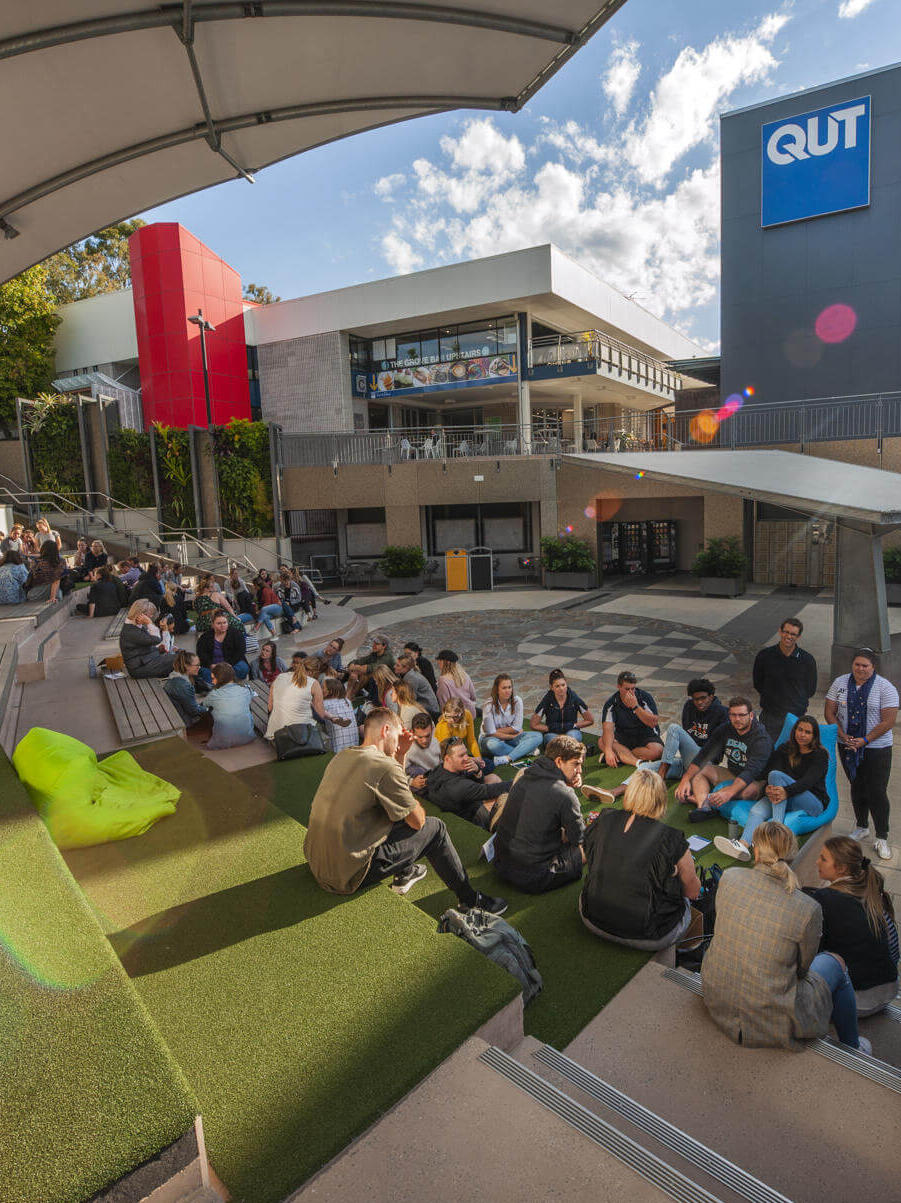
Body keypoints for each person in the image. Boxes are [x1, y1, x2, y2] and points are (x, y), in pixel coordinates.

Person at [304, 707, 506, 910]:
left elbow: (391, 791)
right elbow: (417, 821)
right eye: (400, 732)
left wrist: (400, 754)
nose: (403, 738)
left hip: (316, 861)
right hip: (346, 874)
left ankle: (405, 871)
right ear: (385, 731)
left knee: (393, 809)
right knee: (435, 829)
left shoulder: (343, 755)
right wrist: (400, 765)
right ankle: (471, 901)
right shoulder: (383, 766)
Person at [702, 821, 870, 1052]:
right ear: (791, 854)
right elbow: (802, 970)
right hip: (769, 1019)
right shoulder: (807, 907)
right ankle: (852, 1047)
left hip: (715, 996)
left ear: (757, 851)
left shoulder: (730, 877)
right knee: (835, 962)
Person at [580, 770, 701, 951]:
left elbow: (586, 855)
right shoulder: (672, 838)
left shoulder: (604, 818)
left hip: (592, 918)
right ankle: (690, 952)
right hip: (647, 934)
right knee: (686, 905)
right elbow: (692, 892)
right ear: (661, 799)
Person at [806, 836, 899, 1017]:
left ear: (841, 868)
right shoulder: (867, 889)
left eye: (823, 859)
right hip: (889, 990)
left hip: (859, 1002)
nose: (817, 861)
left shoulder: (825, 899)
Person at [715, 715, 829, 861]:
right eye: (800, 730)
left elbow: (808, 781)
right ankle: (743, 845)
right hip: (784, 796)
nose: (802, 734)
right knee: (757, 811)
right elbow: (767, 769)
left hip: (812, 801)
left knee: (776, 775)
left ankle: (775, 837)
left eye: (807, 732)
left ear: (814, 736)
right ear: (794, 730)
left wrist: (786, 791)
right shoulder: (785, 749)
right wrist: (768, 788)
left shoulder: (820, 755)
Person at [825, 648, 898, 861]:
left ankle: (882, 836)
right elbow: (830, 711)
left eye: (865, 665)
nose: (860, 669)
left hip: (876, 748)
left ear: (873, 666)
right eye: (857, 664)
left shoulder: (885, 688)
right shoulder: (840, 683)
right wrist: (843, 735)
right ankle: (861, 826)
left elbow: (888, 721)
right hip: (847, 743)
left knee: (876, 791)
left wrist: (865, 740)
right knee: (856, 785)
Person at [494, 735, 586, 893]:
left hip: (501, 864)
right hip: (534, 875)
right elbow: (578, 838)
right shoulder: (564, 794)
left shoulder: (524, 776)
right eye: (576, 764)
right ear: (558, 761)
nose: (579, 771)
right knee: (588, 848)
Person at [675, 696, 773, 822]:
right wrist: (685, 779)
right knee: (701, 770)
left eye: (742, 715)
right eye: (733, 715)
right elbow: (703, 755)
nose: (737, 719)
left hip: (756, 781)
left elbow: (751, 772)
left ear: (751, 716)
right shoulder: (725, 729)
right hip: (732, 773)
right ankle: (703, 808)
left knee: (749, 791)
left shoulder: (761, 739)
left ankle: (703, 798)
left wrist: (729, 793)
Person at [753, 618, 818, 743]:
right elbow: (758, 683)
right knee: (768, 753)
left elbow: (810, 689)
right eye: (786, 632)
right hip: (770, 716)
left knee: (793, 755)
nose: (788, 636)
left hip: (795, 717)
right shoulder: (764, 656)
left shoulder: (807, 660)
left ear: (798, 637)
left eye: (793, 634)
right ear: (780, 631)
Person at [426, 736, 508, 829]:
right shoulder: (456, 786)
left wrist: (477, 771)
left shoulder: (442, 768)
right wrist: (517, 781)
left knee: (493, 778)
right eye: (461, 755)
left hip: (464, 801)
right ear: (447, 759)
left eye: (466, 753)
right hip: (469, 817)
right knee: (502, 799)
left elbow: (479, 782)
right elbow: (487, 791)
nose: (467, 758)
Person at [600, 670, 664, 769]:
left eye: (633, 689)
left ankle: (621, 756)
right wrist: (608, 750)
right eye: (627, 689)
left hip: (645, 734)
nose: (630, 692)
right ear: (619, 687)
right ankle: (639, 763)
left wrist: (635, 706)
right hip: (624, 735)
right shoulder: (612, 703)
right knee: (602, 741)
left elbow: (653, 723)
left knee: (658, 751)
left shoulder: (644, 697)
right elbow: (608, 729)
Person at [480, 673, 543, 766]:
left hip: (510, 737)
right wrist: (512, 736)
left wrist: (496, 731)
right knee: (493, 745)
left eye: (509, 687)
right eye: (504, 688)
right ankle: (526, 751)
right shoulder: (488, 705)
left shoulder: (517, 701)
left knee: (538, 736)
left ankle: (507, 758)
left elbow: (517, 728)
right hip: (491, 739)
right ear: (497, 690)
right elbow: (490, 733)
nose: (508, 691)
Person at [264, 659, 333, 741]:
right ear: (313, 673)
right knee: (325, 724)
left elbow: (270, 707)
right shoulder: (313, 683)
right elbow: (320, 714)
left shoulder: (280, 676)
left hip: (274, 731)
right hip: (298, 735)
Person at [530, 668, 594, 744]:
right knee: (556, 742)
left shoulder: (574, 698)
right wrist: (550, 728)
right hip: (552, 733)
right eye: (557, 686)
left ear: (566, 684)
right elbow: (533, 724)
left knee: (571, 738)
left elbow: (590, 720)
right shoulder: (547, 700)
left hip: (571, 731)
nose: (561, 689)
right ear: (551, 687)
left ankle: (563, 751)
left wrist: (574, 725)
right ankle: (567, 751)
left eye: (563, 685)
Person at [203, 664, 256, 750]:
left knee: (209, 710)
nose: (212, 682)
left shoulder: (214, 694)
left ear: (220, 679)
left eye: (213, 678)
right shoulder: (246, 690)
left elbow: (204, 704)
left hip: (222, 743)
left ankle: (215, 737)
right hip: (248, 738)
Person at [119, 600, 176, 678]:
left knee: (179, 655)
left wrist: (164, 631)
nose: (151, 617)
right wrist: (149, 623)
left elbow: (155, 643)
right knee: (179, 658)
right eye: (150, 615)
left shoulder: (134, 626)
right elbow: (156, 639)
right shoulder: (131, 631)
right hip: (140, 669)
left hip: (145, 662)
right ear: (141, 614)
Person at [196, 610, 250, 682]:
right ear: (212, 624)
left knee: (243, 668)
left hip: (232, 664)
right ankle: (217, 687)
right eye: (219, 623)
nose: (222, 625)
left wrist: (228, 665)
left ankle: (229, 683)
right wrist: (210, 665)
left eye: (225, 623)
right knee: (204, 673)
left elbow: (241, 651)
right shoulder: (205, 637)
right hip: (213, 666)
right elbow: (201, 653)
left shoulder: (236, 634)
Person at [164, 650, 210, 729]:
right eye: (197, 665)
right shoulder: (182, 685)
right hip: (185, 721)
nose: (199, 667)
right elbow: (194, 711)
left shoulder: (176, 676)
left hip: (180, 714)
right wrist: (209, 709)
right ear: (186, 665)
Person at [434, 697, 481, 763]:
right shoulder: (443, 726)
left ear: (462, 713)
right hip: (445, 757)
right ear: (444, 712)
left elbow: (471, 740)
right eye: (448, 716)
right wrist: (473, 759)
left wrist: (478, 757)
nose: (452, 720)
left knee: (484, 764)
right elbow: (449, 753)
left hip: (458, 750)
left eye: (456, 716)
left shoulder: (467, 715)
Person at [404, 712, 441, 793]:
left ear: (432, 729)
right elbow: (395, 772)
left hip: (439, 773)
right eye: (420, 737)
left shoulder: (437, 738)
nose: (424, 741)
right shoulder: (408, 749)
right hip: (424, 778)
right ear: (412, 732)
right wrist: (411, 782)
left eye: (427, 736)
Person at [394, 652, 439, 718]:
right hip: (425, 707)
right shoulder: (407, 674)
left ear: (406, 667)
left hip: (429, 710)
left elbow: (410, 699)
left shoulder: (411, 678)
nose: (394, 666)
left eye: (398, 665)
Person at [435, 650, 477, 717]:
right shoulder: (464, 675)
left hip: (455, 716)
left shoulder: (443, 680)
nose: (438, 663)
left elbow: (444, 703)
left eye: (439, 661)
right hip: (470, 713)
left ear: (445, 662)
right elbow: (473, 696)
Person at [322, 678, 359, 750]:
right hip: (354, 744)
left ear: (330, 691)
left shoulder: (325, 704)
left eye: (323, 688)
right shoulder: (347, 701)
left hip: (337, 748)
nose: (320, 690)